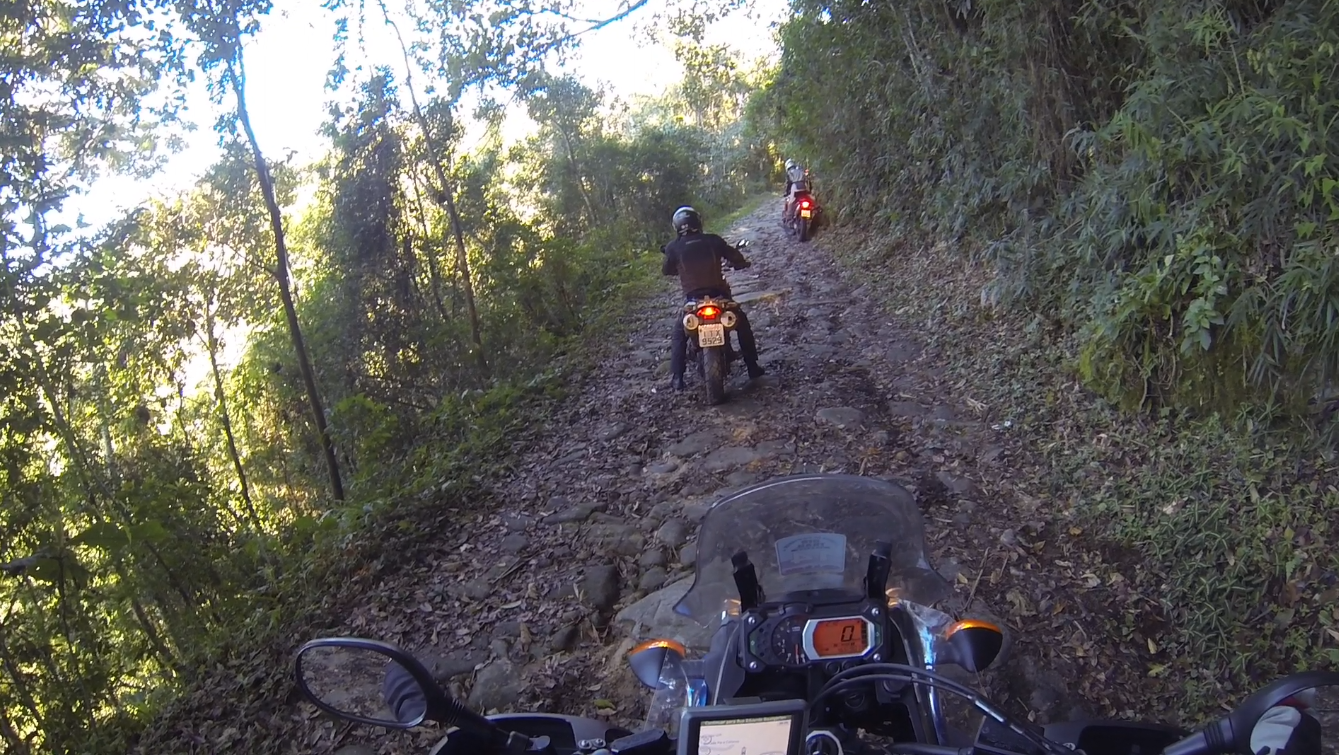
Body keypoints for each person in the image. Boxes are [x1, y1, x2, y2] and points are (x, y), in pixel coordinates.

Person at [661, 206, 765, 391]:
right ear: (698, 222)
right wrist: (741, 263)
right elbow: (734, 256)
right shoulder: (713, 240)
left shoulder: (673, 247)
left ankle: (677, 377)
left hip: (693, 301)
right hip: (720, 297)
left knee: (679, 332)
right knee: (742, 323)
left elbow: (666, 270)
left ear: (676, 226)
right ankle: (752, 367)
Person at [781, 159, 811, 224]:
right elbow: (807, 180)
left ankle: (789, 218)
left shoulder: (789, 173)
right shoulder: (800, 171)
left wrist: (786, 192)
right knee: (809, 200)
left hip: (795, 188)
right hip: (803, 187)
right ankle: (808, 216)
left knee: (791, 203)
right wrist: (809, 190)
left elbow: (788, 184)